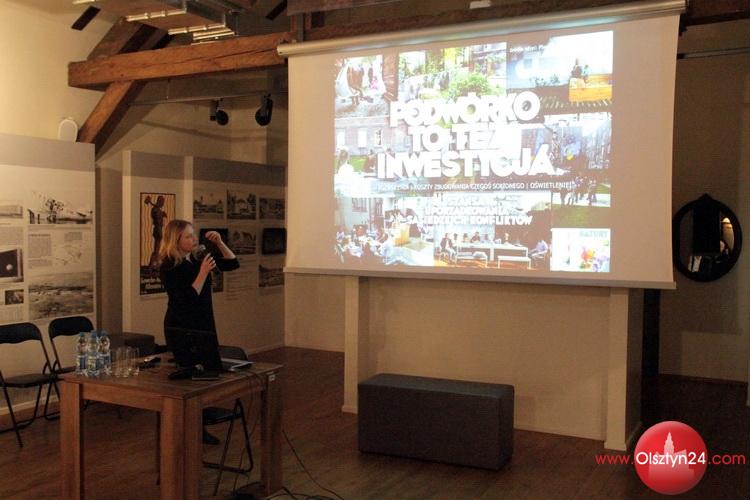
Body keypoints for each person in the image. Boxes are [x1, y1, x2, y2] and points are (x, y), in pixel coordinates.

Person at [158, 220, 239, 445]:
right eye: (188, 236)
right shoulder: (169, 266)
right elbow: (187, 298)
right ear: (176, 240)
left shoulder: (195, 258)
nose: (194, 240)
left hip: (203, 322)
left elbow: (233, 264)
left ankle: (198, 426)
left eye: (193, 235)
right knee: (190, 377)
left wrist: (220, 244)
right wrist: (203, 272)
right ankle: (188, 429)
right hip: (182, 326)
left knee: (208, 373)